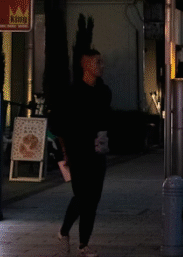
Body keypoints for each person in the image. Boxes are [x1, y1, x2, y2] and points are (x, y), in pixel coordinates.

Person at [56, 49, 112, 257]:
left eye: (102, 62)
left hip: (99, 150)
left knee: (93, 198)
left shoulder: (104, 91)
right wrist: (65, 151)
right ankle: (63, 231)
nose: (101, 66)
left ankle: (83, 244)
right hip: (78, 152)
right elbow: (60, 124)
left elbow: (106, 119)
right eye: (98, 62)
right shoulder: (73, 93)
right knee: (82, 196)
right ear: (85, 65)